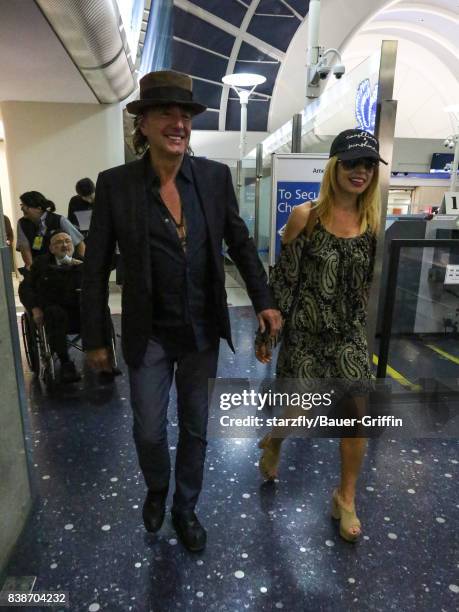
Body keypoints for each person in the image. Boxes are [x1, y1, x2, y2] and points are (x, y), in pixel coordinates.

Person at [81, 70, 281, 552]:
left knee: (195, 428)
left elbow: (240, 242)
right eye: (166, 113)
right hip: (148, 334)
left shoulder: (212, 178)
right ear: (143, 124)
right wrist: (94, 339)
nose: (178, 123)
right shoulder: (117, 185)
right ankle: (156, 488)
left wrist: (265, 301)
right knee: (149, 429)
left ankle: (185, 507)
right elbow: (94, 268)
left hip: (200, 332)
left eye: (185, 115)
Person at [257, 129, 384, 543]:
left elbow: (365, 285)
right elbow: (285, 283)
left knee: (355, 419)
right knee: (298, 412)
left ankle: (345, 498)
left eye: (367, 164)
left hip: (348, 334)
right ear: (334, 167)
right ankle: (274, 441)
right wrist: (268, 335)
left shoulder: (373, 223)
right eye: (351, 163)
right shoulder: (305, 216)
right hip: (306, 334)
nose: (360, 171)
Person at [20, 231, 84, 383]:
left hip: (80, 310)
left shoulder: (82, 263)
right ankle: (65, 363)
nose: (64, 245)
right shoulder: (41, 264)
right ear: (51, 249)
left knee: (102, 311)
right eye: (59, 243)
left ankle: (106, 360)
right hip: (53, 313)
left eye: (67, 241)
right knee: (54, 313)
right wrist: (34, 308)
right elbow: (26, 288)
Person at [16, 191, 85, 269]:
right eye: (22, 205)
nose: (22, 208)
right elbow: (24, 248)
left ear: (38, 208)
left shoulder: (60, 220)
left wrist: (80, 265)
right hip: (39, 267)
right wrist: (31, 269)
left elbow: (79, 243)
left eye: (25, 206)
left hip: (64, 266)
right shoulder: (22, 223)